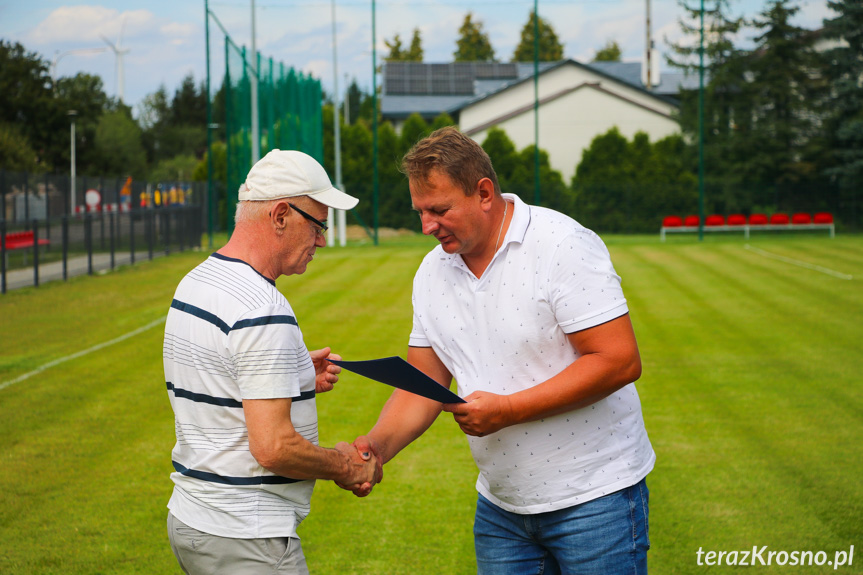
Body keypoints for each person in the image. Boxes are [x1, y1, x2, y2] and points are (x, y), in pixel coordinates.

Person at [350, 127, 655, 574]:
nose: (426, 226)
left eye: (439, 210)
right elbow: (424, 383)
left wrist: (508, 410)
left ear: (484, 193)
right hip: (501, 506)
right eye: (419, 212)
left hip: (596, 498)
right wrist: (374, 450)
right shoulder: (431, 272)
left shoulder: (561, 244)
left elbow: (618, 360)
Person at [164, 149, 379, 575]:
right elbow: (274, 448)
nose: (321, 240)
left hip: (191, 521)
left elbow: (218, 379)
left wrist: (295, 375)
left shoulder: (196, 282)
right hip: (247, 538)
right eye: (317, 224)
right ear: (280, 215)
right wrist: (344, 466)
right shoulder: (263, 308)